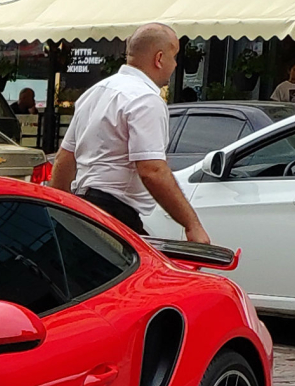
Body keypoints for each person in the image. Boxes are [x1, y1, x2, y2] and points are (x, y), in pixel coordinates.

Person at [47, 21, 210, 243]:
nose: (174, 65)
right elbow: (152, 171)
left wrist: (61, 215)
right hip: (115, 212)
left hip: (84, 208)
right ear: (159, 58)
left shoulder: (95, 92)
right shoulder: (146, 100)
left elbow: (65, 159)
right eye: (174, 57)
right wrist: (192, 225)